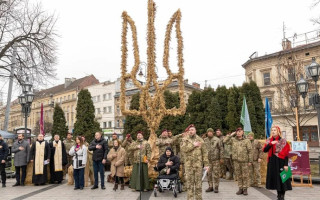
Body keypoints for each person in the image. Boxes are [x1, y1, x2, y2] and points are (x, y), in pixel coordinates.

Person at [263, 126, 292, 200]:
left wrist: (286, 164)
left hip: (281, 161)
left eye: (275, 130)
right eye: (272, 130)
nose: (273, 131)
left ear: (278, 131)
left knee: (283, 178)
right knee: (276, 179)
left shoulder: (283, 141)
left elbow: (286, 154)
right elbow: (265, 150)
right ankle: (278, 195)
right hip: (272, 161)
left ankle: (282, 196)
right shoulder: (269, 140)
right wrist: (271, 144)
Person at [181, 124, 209, 200]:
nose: (191, 131)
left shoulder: (200, 140)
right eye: (190, 130)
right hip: (189, 166)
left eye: (192, 130)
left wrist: (206, 164)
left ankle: (199, 198)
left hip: (198, 166)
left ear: (195, 131)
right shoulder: (185, 139)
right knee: (189, 185)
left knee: (198, 185)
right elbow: (183, 149)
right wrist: (193, 145)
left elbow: (205, 153)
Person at [223, 127, 252, 195]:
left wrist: (250, 161)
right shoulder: (233, 140)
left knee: (245, 175)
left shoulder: (247, 140)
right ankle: (240, 188)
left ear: (243, 132)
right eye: (237, 131)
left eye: (240, 131)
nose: (238, 132)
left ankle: (245, 189)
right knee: (238, 175)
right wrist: (231, 135)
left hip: (244, 161)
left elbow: (250, 151)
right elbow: (224, 141)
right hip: (236, 161)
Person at [204, 128, 223, 193]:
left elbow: (221, 149)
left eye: (211, 132)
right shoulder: (205, 140)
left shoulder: (217, 139)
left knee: (216, 174)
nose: (209, 133)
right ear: (207, 133)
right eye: (208, 132)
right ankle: (210, 186)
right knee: (208, 174)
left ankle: (216, 187)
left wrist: (221, 158)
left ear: (213, 133)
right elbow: (203, 150)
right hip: (208, 160)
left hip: (216, 160)